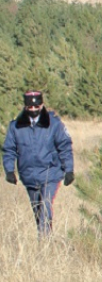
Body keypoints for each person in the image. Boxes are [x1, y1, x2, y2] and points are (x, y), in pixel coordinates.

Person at [3, 91, 75, 237]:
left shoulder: (54, 124)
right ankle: (45, 237)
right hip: (28, 176)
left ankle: (44, 241)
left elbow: (65, 146)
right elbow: (9, 149)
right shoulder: (16, 126)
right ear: (25, 107)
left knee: (45, 207)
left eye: (37, 106)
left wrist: (69, 170)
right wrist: (9, 170)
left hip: (50, 174)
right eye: (30, 107)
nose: (34, 109)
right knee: (37, 211)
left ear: (42, 105)